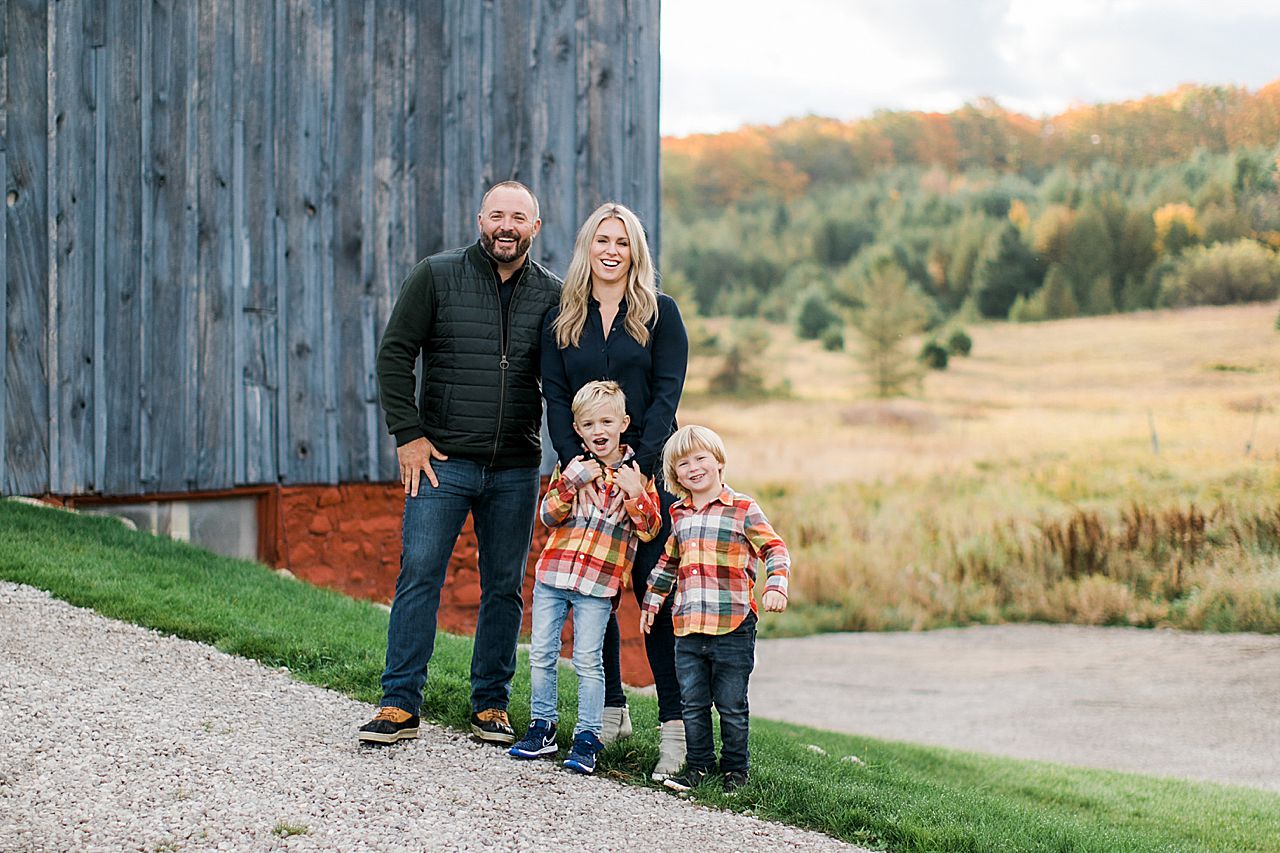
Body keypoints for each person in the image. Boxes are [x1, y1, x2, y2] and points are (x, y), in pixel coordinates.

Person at [357, 181, 562, 746]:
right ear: (479, 220)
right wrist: (409, 434)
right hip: (441, 462)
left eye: (518, 217)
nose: (506, 225)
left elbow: (565, 383)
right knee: (419, 574)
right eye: (497, 214)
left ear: (535, 228)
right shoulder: (437, 274)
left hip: (517, 466)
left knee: (503, 587)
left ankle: (490, 705)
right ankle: (399, 703)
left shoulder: (554, 294)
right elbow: (396, 352)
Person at [540, 201, 690, 779]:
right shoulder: (564, 318)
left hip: (645, 477)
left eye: (622, 242)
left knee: (656, 601)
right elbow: (555, 395)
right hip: (584, 478)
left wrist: (640, 467)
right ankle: (609, 711)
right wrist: (577, 461)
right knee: (592, 589)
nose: (610, 250)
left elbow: (666, 395)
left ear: (635, 252)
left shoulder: (660, 313)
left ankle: (674, 729)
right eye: (602, 239)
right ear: (587, 247)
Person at [508, 380, 662, 774]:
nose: (599, 431)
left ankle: (588, 736)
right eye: (589, 424)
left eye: (607, 421)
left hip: (597, 585)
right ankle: (542, 727)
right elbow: (547, 516)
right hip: (554, 575)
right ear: (577, 429)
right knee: (541, 653)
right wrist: (572, 481)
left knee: (587, 661)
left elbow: (648, 529)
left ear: (624, 423)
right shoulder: (572, 467)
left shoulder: (637, 476)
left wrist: (635, 494)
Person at [640, 425, 791, 793]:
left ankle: (735, 771)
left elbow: (775, 549)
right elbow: (668, 562)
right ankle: (699, 767)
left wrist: (776, 585)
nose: (693, 467)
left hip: (733, 625)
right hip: (689, 626)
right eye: (683, 463)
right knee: (692, 703)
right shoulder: (679, 514)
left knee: (731, 705)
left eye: (700, 458)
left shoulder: (742, 508)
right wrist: (652, 600)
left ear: (719, 461)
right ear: (674, 475)